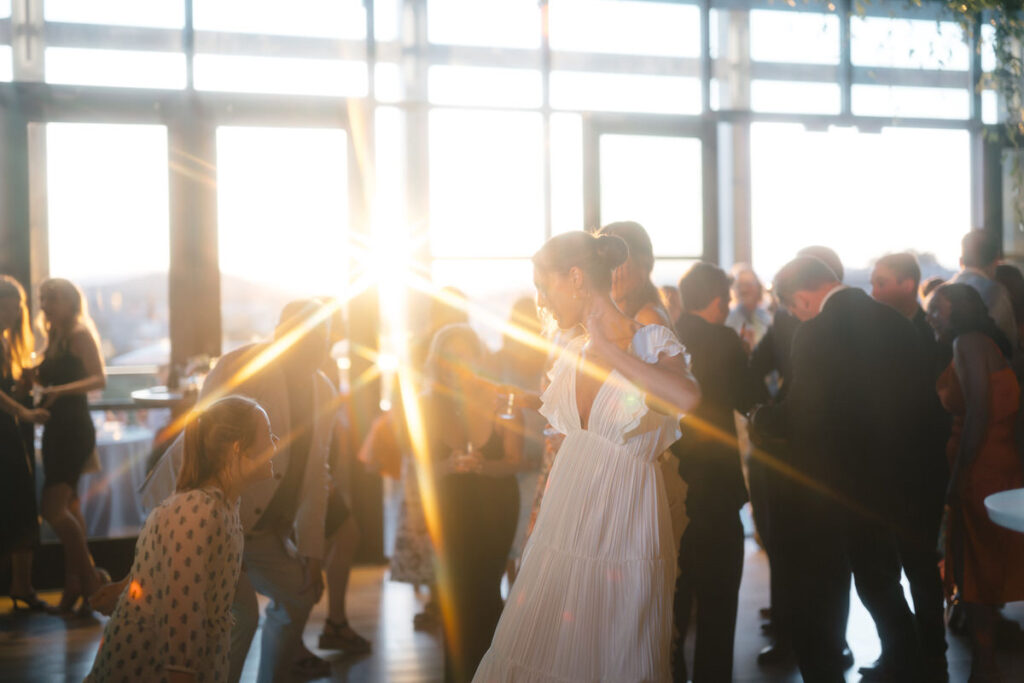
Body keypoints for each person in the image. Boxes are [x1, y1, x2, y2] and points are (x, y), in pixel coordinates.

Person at [473, 231, 700, 681]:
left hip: (625, 522)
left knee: (615, 655)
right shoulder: (572, 349)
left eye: (544, 285)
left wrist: (614, 351)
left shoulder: (648, 339)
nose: (540, 299)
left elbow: (685, 397)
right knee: (545, 651)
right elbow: (577, 425)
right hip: (566, 519)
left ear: (575, 277)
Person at [142, 300, 338, 682]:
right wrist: (226, 542)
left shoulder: (324, 390)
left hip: (261, 527)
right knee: (240, 616)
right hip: (197, 513)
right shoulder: (240, 366)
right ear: (282, 335)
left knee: (301, 591)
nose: (314, 347)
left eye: (321, 339)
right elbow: (205, 451)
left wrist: (312, 550)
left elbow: (317, 472)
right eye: (305, 337)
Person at [750, 256, 925, 681]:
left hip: (834, 484)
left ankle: (836, 668)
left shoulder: (816, 333)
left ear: (804, 298)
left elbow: (807, 415)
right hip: (893, 476)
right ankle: (907, 664)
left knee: (831, 586)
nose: (795, 315)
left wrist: (762, 420)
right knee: (881, 581)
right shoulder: (896, 322)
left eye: (794, 307)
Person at [86, 396, 276, 683]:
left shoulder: (223, 506)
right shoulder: (198, 512)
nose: (275, 441)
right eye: (266, 435)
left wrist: (126, 585)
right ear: (238, 449)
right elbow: (182, 618)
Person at [928, 283, 1024, 682]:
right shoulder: (990, 342)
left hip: (979, 465)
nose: (931, 313)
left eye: (938, 307)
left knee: (977, 563)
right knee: (992, 555)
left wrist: (957, 474)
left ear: (959, 309)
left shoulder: (967, 342)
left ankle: (985, 665)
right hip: (1001, 459)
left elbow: (980, 411)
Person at [672, 262, 756, 683]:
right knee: (718, 603)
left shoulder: (665, 335)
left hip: (673, 485)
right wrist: (747, 356)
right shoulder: (723, 340)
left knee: (673, 602)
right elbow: (749, 399)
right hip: (717, 489)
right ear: (719, 301)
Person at [426, 324, 523, 683]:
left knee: (484, 590)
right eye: (448, 357)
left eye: (463, 356)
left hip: (496, 505)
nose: (455, 365)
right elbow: (418, 470)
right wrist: (448, 465)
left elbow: (514, 460)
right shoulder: (426, 405)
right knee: (456, 598)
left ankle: (492, 673)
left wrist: (485, 465)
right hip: (449, 508)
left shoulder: (499, 398)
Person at [869, 252, 950, 679]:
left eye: (882, 281)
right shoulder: (885, 332)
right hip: (889, 467)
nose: (874, 290)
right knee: (887, 565)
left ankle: (931, 653)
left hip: (917, 468)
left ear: (906, 284)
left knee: (918, 564)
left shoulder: (927, 334)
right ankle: (904, 652)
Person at [597, 221, 689, 550]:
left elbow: (666, 398)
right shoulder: (621, 315)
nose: (613, 272)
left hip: (647, 467)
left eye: (621, 261)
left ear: (645, 263)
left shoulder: (649, 317)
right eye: (605, 264)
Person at [36, 277, 109, 615]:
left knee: (52, 511)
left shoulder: (79, 335)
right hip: (56, 429)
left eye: (52, 299)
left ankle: (92, 581)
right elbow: (50, 377)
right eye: (43, 298)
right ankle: (75, 586)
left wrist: (58, 391)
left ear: (70, 302)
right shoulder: (55, 338)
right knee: (72, 509)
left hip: (73, 429)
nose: (45, 305)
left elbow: (99, 379)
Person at [0, 276, 50, 612]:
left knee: (19, 503)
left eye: (19, 306)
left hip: (8, 434)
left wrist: (24, 388)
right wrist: (24, 412)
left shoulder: (6, 342)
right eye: (12, 304)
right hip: (6, 434)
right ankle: (22, 586)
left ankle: (22, 585)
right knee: (15, 501)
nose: (17, 312)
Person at [491, 297, 546, 587]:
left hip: (542, 450)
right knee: (510, 527)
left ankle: (521, 593)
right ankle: (511, 595)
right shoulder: (499, 359)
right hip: (509, 448)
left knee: (531, 528)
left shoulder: (550, 358)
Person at [951, 230, 1017, 348]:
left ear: (961, 261)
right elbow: (1009, 342)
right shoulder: (994, 292)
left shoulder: (940, 293)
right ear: (997, 260)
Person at [726, 263, 772, 353]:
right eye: (739, 285)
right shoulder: (727, 320)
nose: (744, 290)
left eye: (748, 284)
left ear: (758, 287)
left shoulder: (768, 318)